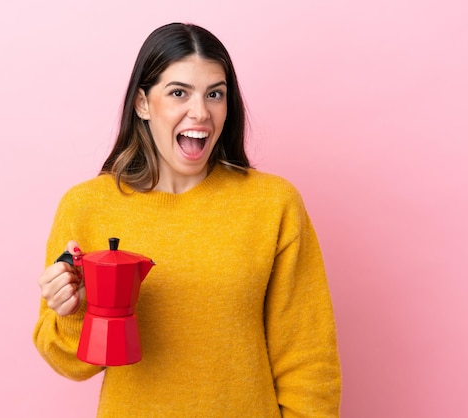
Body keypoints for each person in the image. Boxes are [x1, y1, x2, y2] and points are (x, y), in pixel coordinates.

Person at [33, 22, 341, 417]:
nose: (201, 112)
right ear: (143, 103)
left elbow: (309, 358)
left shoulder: (272, 204)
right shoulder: (87, 206)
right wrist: (73, 309)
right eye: (179, 92)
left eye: (215, 94)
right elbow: (72, 365)